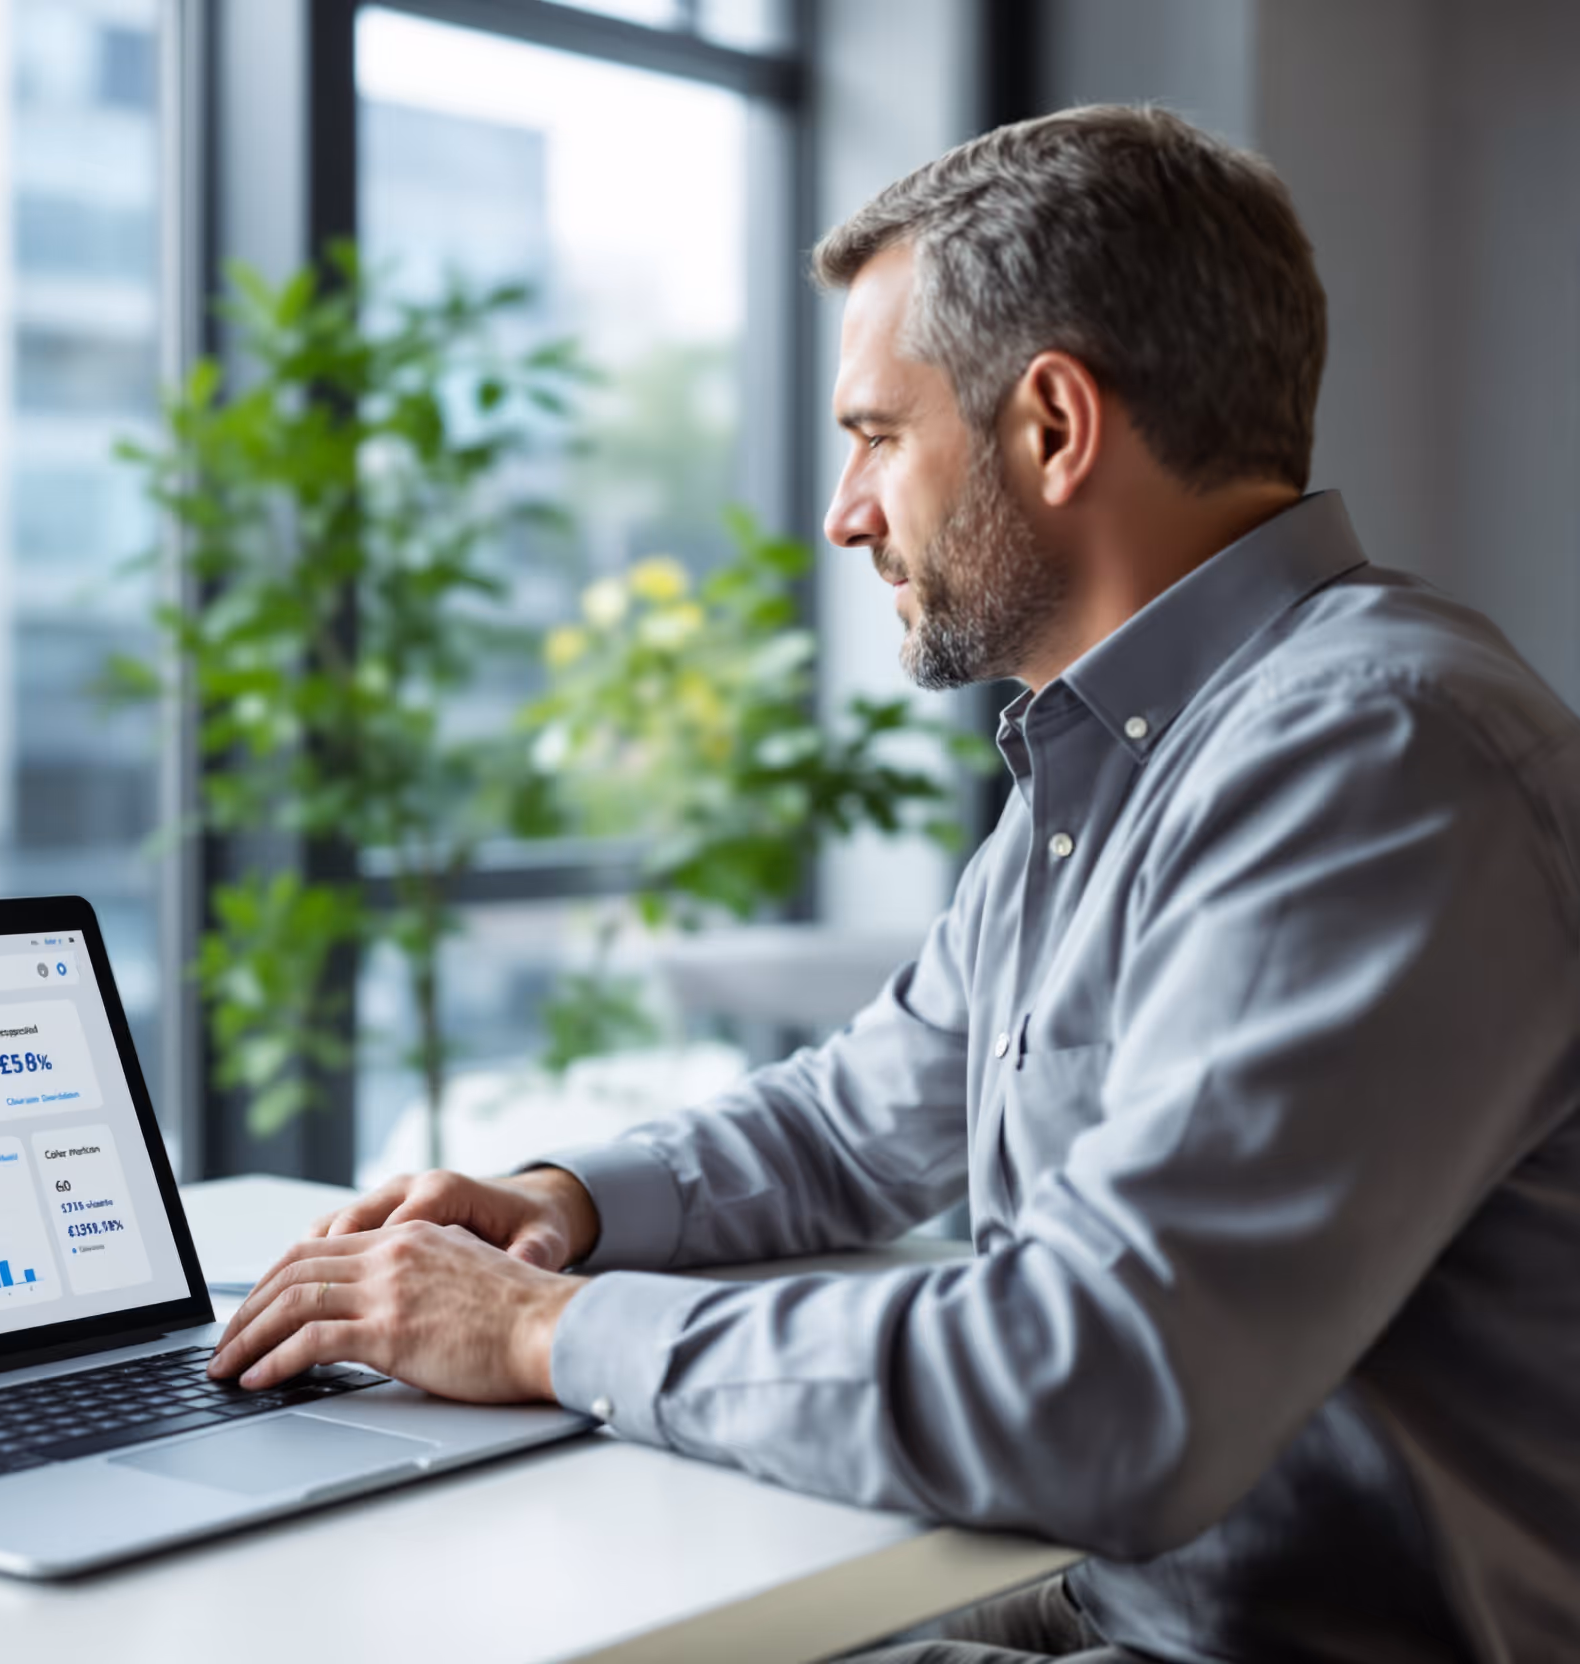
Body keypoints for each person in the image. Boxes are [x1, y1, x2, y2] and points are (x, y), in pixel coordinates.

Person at [205, 105, 1580, 1663]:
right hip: (1134, 1603)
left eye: (873, 434)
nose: (844, 512)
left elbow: (1097, 1389)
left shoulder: (1372, 760)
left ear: (1054, 425)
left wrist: (537, 1332)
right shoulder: (1129, 754)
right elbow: (856, 1119)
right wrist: (561, 1208)